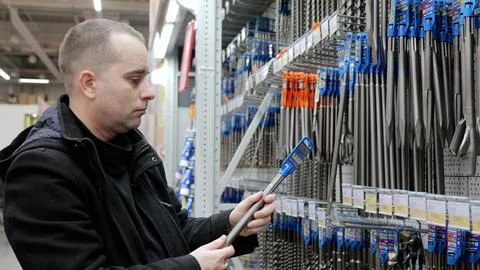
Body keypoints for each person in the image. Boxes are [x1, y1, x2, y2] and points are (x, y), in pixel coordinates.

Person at [0, 19, 276, 270]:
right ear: (89, 84)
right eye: (135, 79)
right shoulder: (42, 171)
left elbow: (172, 231)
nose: (150, 92)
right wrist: (190, 267)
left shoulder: (132, 149)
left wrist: (231, 223)